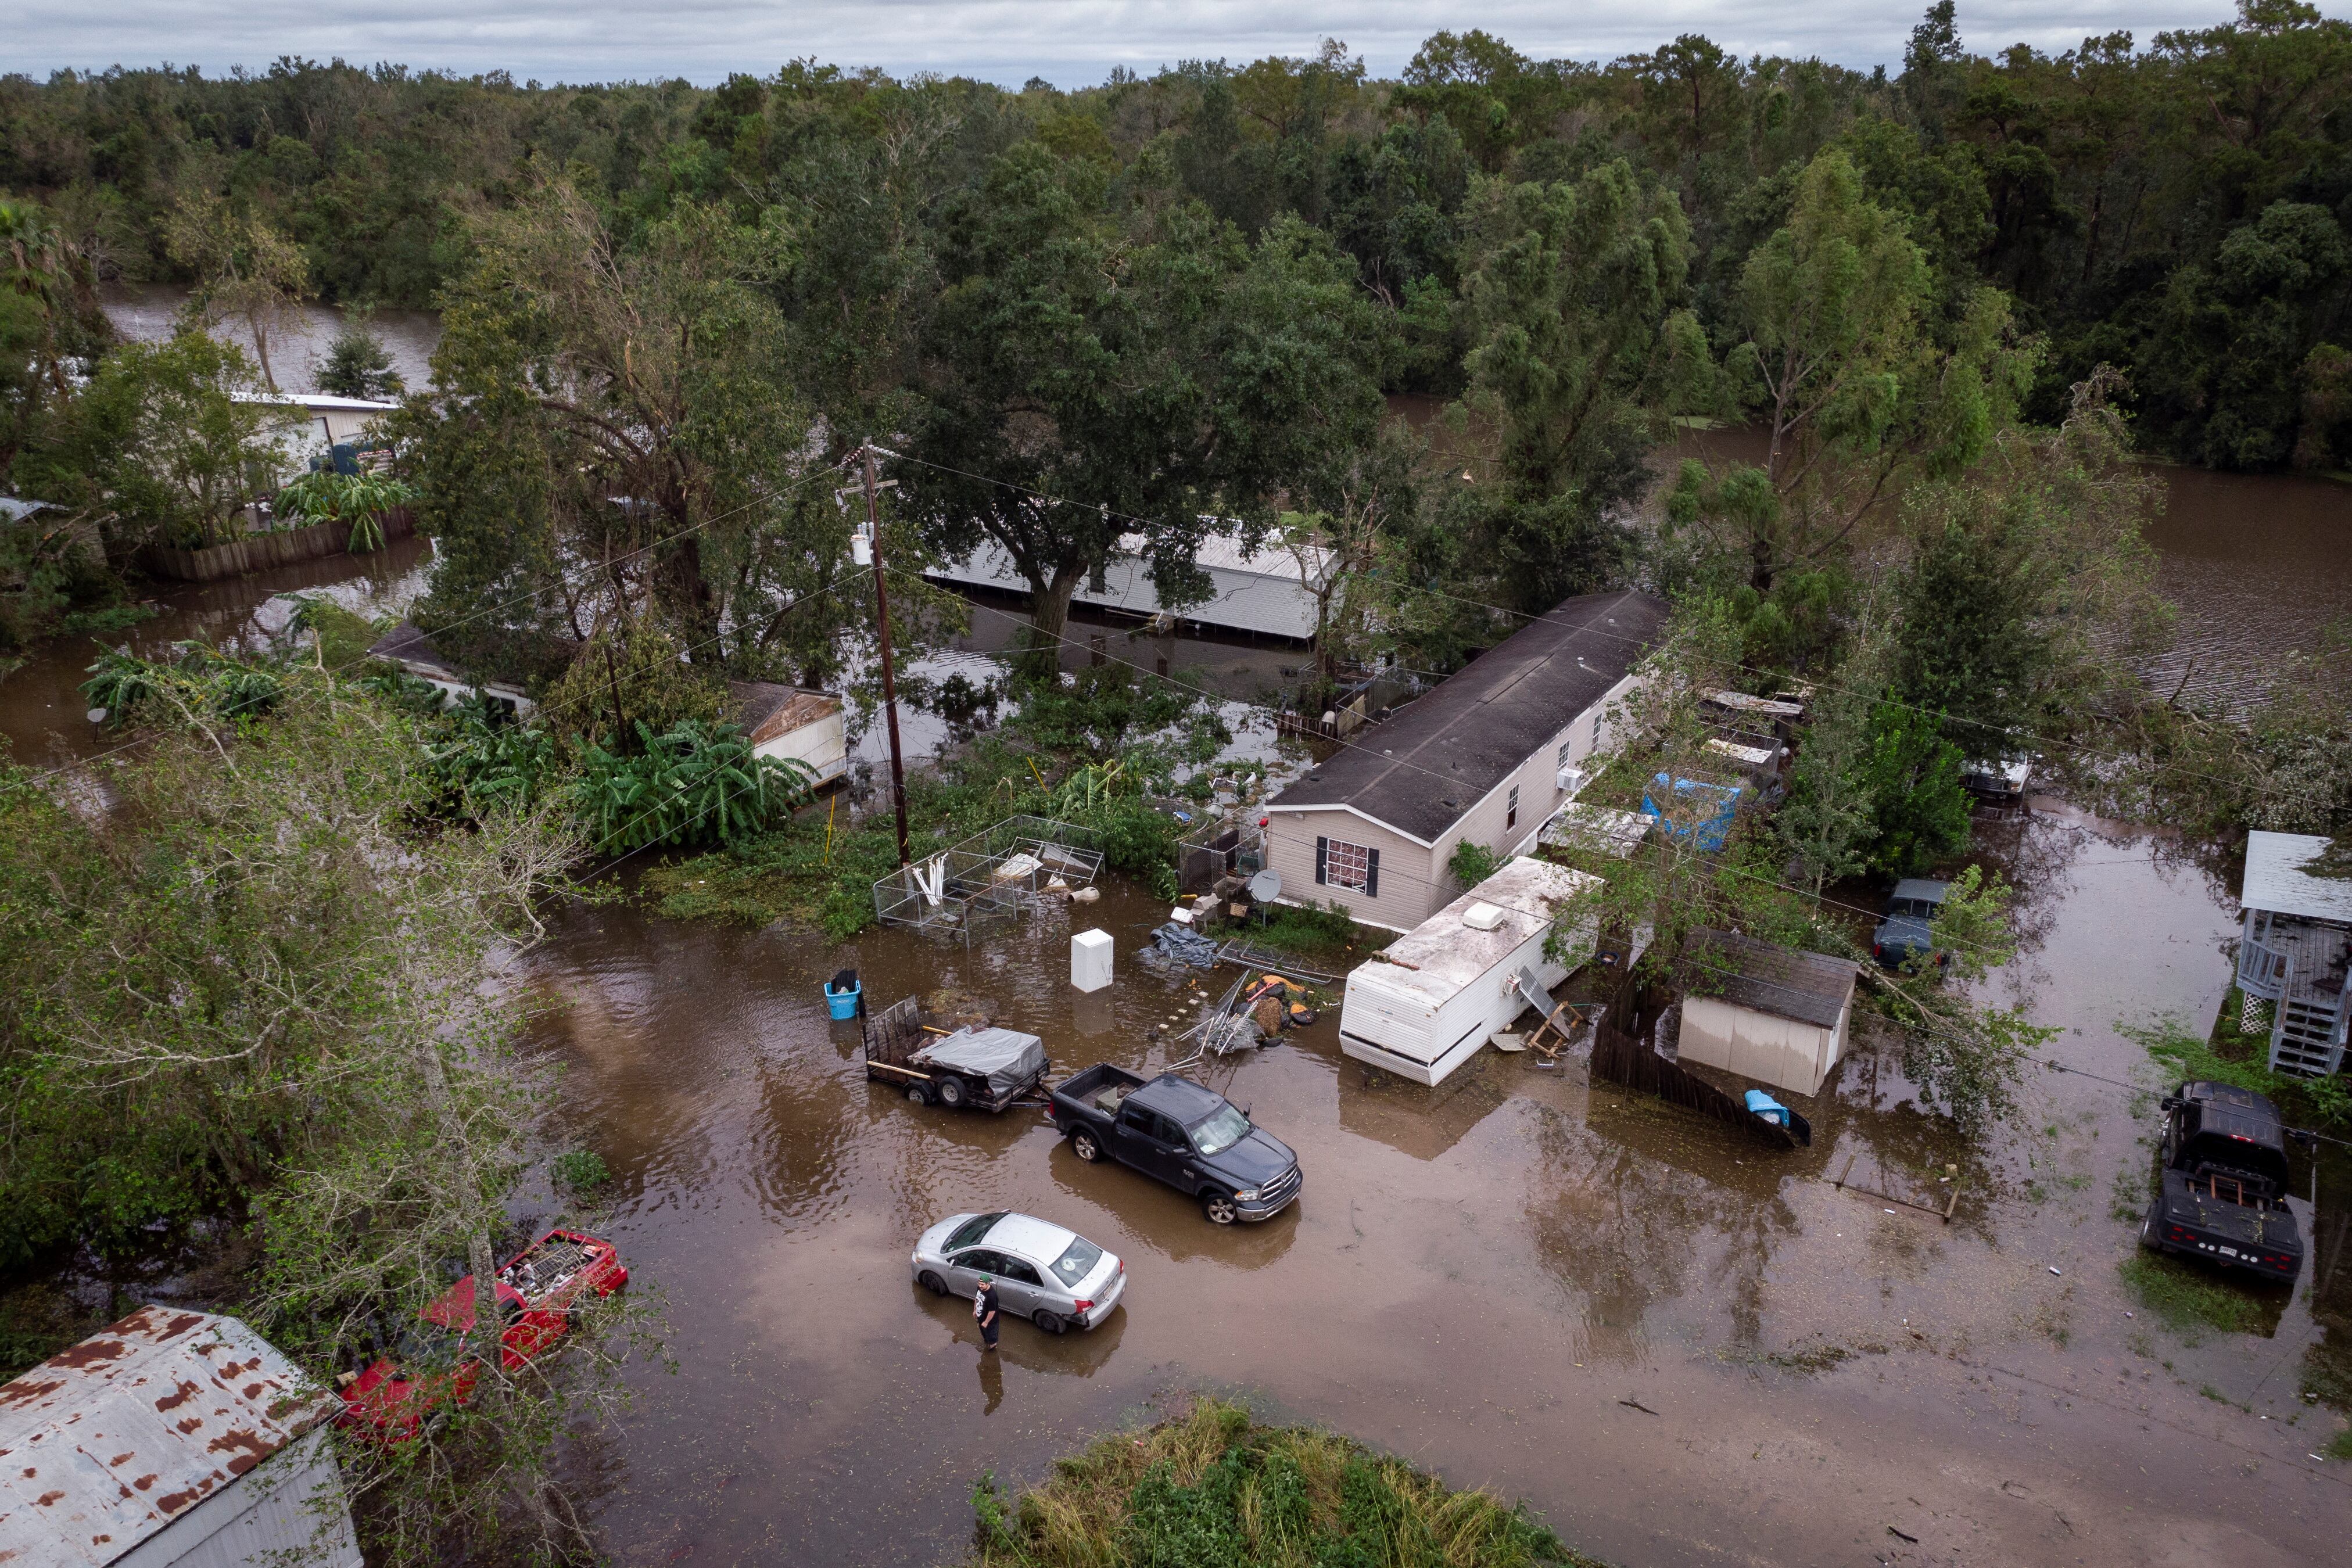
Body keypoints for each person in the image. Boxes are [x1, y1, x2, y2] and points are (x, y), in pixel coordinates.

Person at [973, 1273, 1001, 1352]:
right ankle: (986, 1341)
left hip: (991, 1321)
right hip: (981, 1317)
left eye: (982, 1284)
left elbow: (992, 1311)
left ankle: (992, 1348)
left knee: (992, 1337)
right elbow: (976, 1299)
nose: (980, 1286)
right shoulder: (979, 1288)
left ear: (988, 1284)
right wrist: (975, 1310)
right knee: (984, 1333)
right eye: (979, 1284)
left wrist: (986, 1322)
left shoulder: (992, 1295)